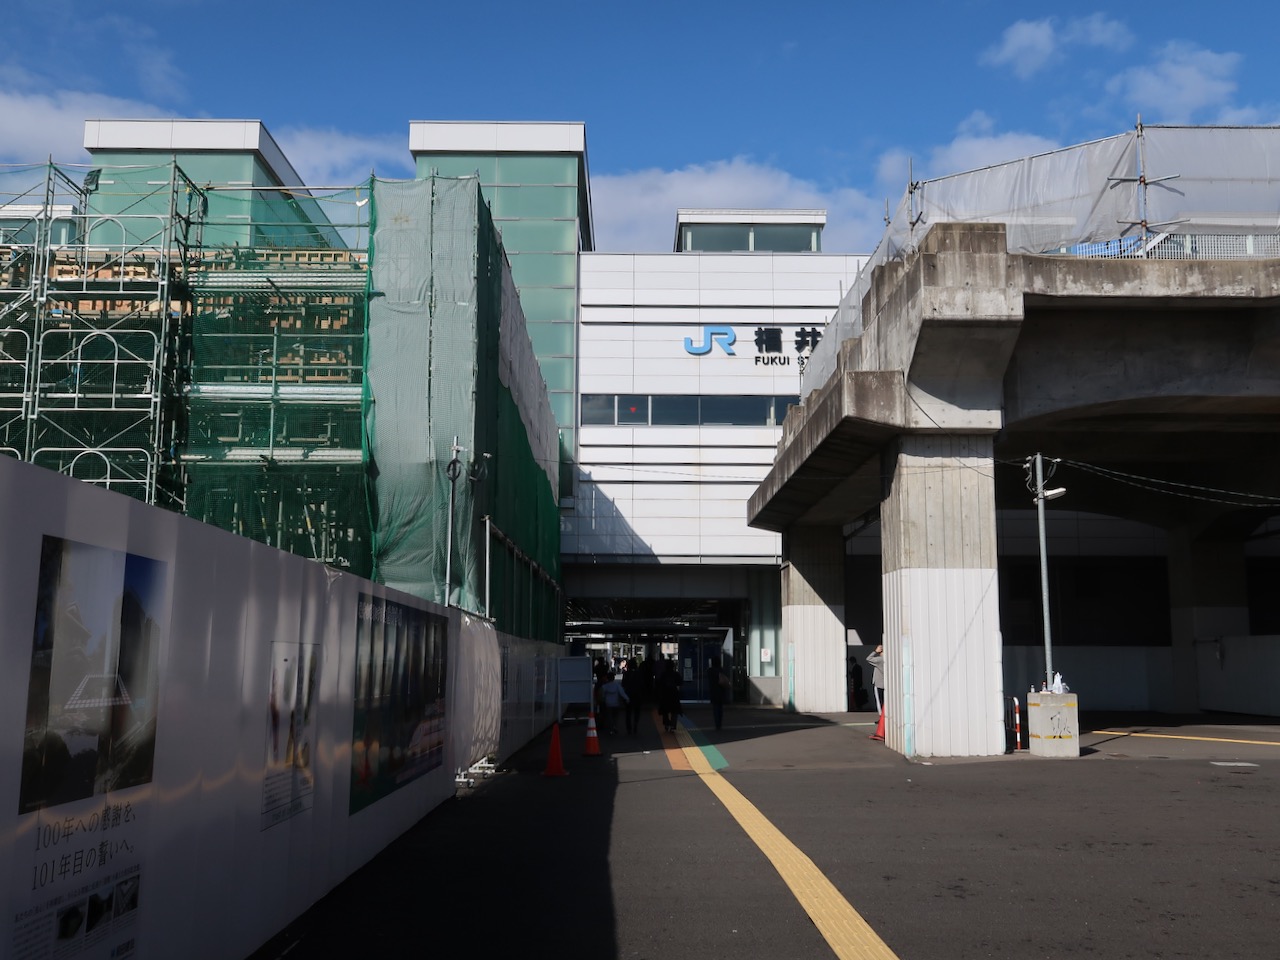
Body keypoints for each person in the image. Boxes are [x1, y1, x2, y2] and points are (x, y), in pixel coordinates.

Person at [597, 670, 629, 735]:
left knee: (609, 717)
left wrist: (601, 700)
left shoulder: (605, 686)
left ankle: (611, 728)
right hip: (616, 704)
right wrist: (627, 699)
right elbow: (622, 693)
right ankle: (615, 727)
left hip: (608, 704)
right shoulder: (617, 686)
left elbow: (602, 695)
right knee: (615, 717)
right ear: (613, 678)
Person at [656, 660, 682, 733]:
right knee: (674, 711)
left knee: (665, 711)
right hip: (674, 694)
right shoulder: (675, 674)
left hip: (665, 694)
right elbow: (680, 682)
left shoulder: (663, 674)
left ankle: (667, 724)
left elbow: (659, 684)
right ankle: (673, 725)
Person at [621, 659, 645, 734]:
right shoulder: (639, 673)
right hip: (637, 694)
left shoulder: (626, 673)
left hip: (628, 694)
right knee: (637, 711)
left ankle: (629, 728)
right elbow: (642, 684)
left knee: (628, 712)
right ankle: (635, 724)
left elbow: (623, 684)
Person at [707, 658, 730, 731]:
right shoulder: (721, 670)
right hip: (721, 691)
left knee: (715, 708)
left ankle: (717, 724)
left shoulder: (710, 671)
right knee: (720, 708)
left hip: (713, 691)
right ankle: (719, 723)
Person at [866, 644, 885, 713]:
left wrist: (875, 651)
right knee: (884, 700)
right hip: (885, 683)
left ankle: (881, 715)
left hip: (878, 683)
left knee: (879, 700)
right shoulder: (888, 660)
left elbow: (868, 658)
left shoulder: (879, 659)